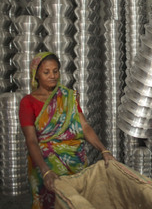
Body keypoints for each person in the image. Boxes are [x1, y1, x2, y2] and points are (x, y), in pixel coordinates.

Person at [19, 52, 115, 209]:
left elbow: (84, 126)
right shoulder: (27, 102)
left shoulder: (68, 97)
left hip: (74, 161)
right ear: (36, 75)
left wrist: (103, 150)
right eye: (46, 72)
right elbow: (31, 140)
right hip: (46, 163)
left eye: (55, 71)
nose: (52, 76)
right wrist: (45, 171)